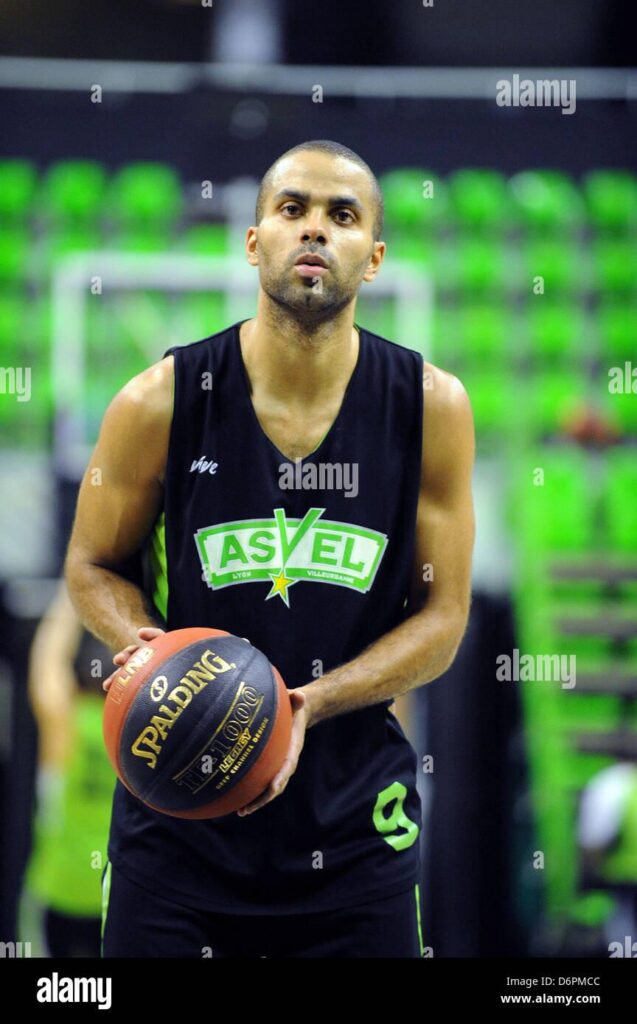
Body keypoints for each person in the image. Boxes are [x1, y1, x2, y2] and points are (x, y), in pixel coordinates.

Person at [64, 138, 476, 958]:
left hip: (356, 833)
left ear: (375, 256)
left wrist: (306, 708)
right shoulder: (159, 400)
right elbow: (89, 567)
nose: (314, 230)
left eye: (342, 216)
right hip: (176, 823)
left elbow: (444, 618)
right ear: (254, 241)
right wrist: (144, 647)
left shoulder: (430, 407)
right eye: (292, 210)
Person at [22, 580, 114, 957]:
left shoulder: (65, 721)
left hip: (59, 896)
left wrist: (78, 582)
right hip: (118, 898)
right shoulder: (139, 732)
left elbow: (47, 660)